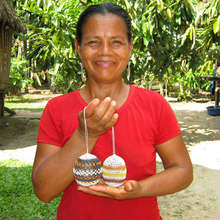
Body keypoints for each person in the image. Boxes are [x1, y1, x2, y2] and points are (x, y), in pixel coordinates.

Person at [32, 2, 193, 220]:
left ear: (130, 47)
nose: (105, 52)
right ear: (78, 48)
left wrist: (138, 189)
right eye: (93, 42)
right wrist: (84, 135)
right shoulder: (57, 109)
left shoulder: (154, 105)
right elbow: (44, 190)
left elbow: (182, 171)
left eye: (116, 42)